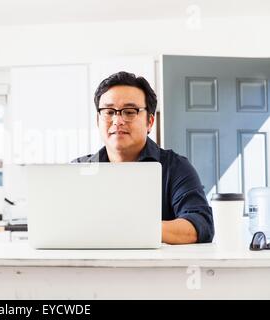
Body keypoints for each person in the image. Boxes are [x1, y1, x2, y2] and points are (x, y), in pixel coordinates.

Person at [73, 71, 214, 244]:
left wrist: (131, 228)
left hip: (154, 270)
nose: (117, 120)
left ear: (150, 122)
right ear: (98, 120)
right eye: (109, 111)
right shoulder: (78, 169)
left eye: (130, 111)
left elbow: (200, 226)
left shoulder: (175, 167)